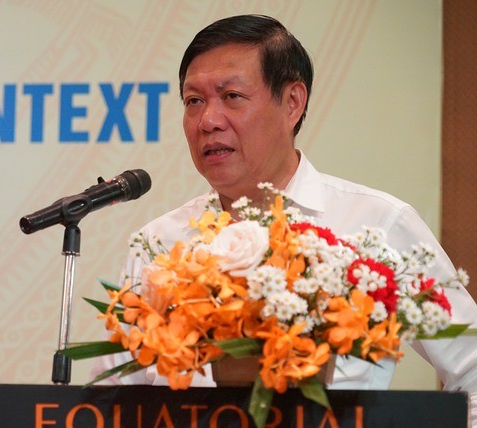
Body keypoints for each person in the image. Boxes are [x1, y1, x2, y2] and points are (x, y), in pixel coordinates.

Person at [92, 14, 477, 424]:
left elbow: (472, 370)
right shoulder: (159, 243)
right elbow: (111, 403)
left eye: (232, 96)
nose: (208, 121)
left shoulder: (377, 223)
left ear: (293, 102)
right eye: (193, 101)